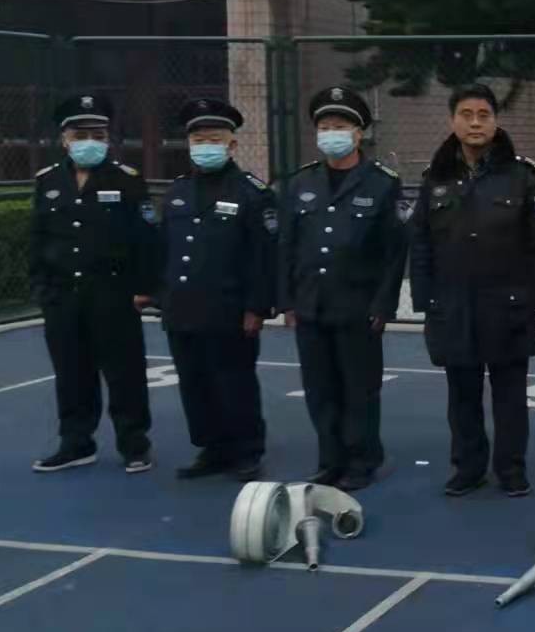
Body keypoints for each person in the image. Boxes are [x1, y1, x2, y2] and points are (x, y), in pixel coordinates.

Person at [411, 83, 535, 498]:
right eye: (466, 114)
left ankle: (511, 469)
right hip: (453, 307)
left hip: (508, 305)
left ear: (495, 122)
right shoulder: (435, 178)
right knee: (462, 394)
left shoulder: (524, 176)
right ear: (452, 121)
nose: (475, 123)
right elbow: (421, 242)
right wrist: (426, 300)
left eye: (484, 115)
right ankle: (468, 467)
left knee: (510, 395)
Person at [277, 87, 408, 492]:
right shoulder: (301, 182)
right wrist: (287, 300)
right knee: (319, 388)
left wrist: (383, 305)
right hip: (311, 303)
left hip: (358, 305)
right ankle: (330, 459)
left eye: (340, 126)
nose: (331, 133)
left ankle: (362, 459)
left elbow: (393, 252)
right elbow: (286, 245)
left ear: (358, 133)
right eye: (325, 126)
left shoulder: (382, 184)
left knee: (359, 388)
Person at [28, 94, 161, 474]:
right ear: (65, 139)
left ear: (108, 139)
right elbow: (38, 238)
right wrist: (41, 287)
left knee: (124, 372)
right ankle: (76, 443)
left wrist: (145, 288)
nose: (90, 141)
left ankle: (134, 444)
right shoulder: (48, 181)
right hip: (62, 295)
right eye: (81, 134)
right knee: (71, 373)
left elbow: (146, 238)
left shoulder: (127, 180)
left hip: (112, 292)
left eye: (98, 135)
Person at [158, 98, 277, 481]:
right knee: (194, 384)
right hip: (182, 307)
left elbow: (263, 256)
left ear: (232, 145)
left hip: (229, 309)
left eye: (214, 139)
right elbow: (165, 248)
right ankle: (212, 449)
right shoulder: (178, 191)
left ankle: (247, 451)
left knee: (234, 383)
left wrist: (257, 307)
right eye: (198, 139)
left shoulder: (252, 193)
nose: (205, 146)